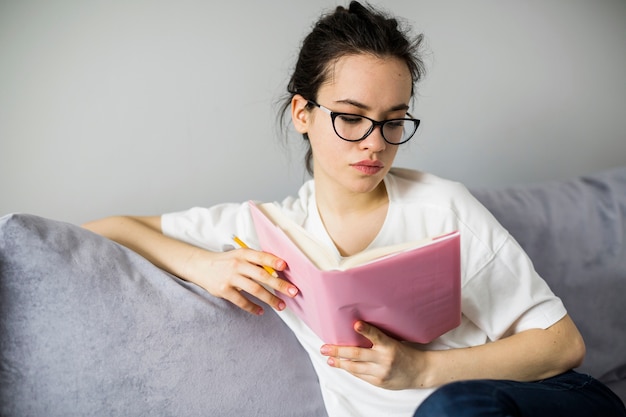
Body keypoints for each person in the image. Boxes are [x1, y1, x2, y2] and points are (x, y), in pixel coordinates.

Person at [83, 2, 626, 416]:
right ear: (303, 112)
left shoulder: (442, 205)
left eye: (394, 120)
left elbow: (564, 344)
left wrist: (422, 368)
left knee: (448, 408)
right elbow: (105, 229)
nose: (375, 143)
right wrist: (206, 264)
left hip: (541, 400)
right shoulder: (267, 230)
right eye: (350, 116)